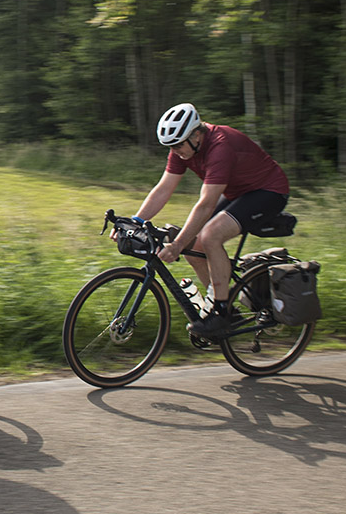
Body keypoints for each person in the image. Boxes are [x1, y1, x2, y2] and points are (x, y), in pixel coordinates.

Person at [117, 102, 290, 339]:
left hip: (269, 192)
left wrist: (176, 244)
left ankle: (220, 311)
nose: (175, 150)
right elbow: (164, 188)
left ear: (197, 135)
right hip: (239, 193)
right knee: (193, 250)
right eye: (170, 146)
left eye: (177, 145)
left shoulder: (220, 147)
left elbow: (206, 203)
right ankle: (228, 307)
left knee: (210, 236)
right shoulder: (183, 147)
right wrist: (135, 221)